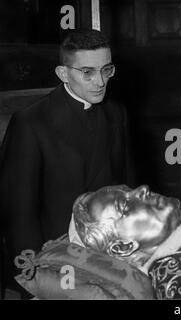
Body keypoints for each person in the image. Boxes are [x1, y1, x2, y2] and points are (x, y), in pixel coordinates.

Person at [0, 29, 136, 270]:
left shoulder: (117, 113)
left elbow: (128, 189)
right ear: (63, 73)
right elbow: (19, 215)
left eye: (107, 70)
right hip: (54, 258)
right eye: (88, 72)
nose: (100, 81)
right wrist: (33, 275)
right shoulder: (30, 123)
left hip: (110, 254)